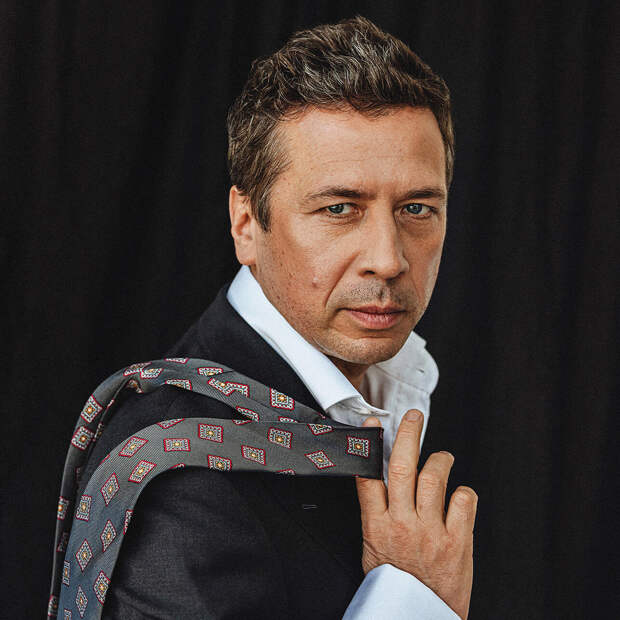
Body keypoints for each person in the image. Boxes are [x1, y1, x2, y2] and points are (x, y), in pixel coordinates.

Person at [79, 15, 478, 619]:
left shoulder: (399, 382)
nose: (390, 259)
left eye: (417, 208)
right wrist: (414, 601)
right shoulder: (182, 484)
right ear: (246, 223)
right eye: (339, 208)